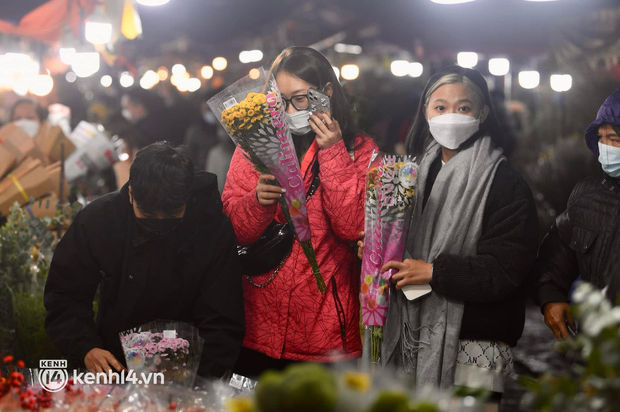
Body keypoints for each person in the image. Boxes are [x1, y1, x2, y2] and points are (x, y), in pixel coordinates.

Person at [369, 65, 538, 402]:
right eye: (440, 107)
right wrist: (381, 250)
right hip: (414, 335)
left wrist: (434, 272)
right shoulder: (414, 175)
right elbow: (403, 244)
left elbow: (505, 270)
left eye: (464, 108)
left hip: (476, 340)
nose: (451, 116)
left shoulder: (505, 184)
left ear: (483, 112)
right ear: (426, 112)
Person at [221, 46, 378, 377]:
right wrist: (257, 202)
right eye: (281, 99)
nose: (290, 109)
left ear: (328, 92)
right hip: (259, 318)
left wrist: (333, 150)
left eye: (302, 98)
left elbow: (353, 226)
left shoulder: (360, 149)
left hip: (325, 326)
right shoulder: (252, 146)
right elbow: (234, 229)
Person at [44, 142, 245, 378]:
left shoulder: (211, 227)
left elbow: (223, 316)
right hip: (115, 364)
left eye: (171, 216)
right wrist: (86, 347)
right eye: (148, 216)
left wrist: (200, 377)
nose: (159, 223)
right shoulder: (100, 221)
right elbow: (65, 294)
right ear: (130, 193)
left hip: (191, 368)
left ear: (187, 199)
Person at [533, 88, 620, 339]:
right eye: (600, 138)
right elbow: (555, 256)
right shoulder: (587, 196)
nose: (605, 147)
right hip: (599, 352)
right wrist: (550, 297)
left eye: (613, 139)